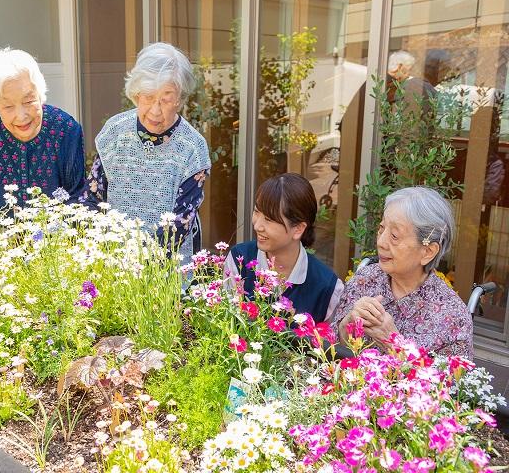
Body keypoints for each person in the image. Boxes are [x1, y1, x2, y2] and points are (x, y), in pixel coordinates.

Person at [82, 42, 211, 261]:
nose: (155, 110)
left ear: (179, 99)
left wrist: (140, 265)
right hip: (113, 261)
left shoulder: (192, 149)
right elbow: (92, 198)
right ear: (136, 94)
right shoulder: (115, 133)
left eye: (165, 99)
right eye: (148, 97)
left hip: (166, 271)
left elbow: (180, 225)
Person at [329, 186, 473, 359]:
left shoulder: (453, 317)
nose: (381, 242)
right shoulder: (365, 280)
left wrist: (394, 344)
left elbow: (452, 384)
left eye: (395, 236)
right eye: (381, 229)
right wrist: (348, 324)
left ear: (427, 252)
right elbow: (330, 352)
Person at [0, 48, 86, 210]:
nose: (21, 116)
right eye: (8, 106)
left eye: (28, 101)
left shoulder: (66, 130)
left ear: (40, 95)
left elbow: (77, 196)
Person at [223, 173, 343, 323]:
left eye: (268, 219)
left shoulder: (328, 288)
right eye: (256, 212)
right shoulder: (239, 260)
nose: (257, 225)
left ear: (298, 229)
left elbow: (328, 344)